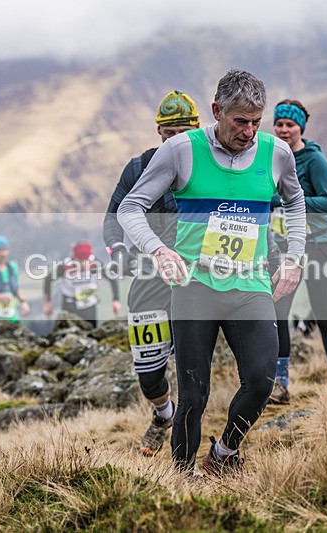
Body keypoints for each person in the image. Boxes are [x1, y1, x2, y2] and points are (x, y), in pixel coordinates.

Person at [118, 69, 305, 475]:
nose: (249, 132)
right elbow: (129, 208)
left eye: (256, 122)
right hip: (195, 285)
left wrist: (294, 257)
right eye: (240, 121)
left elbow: (295, 201)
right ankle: (182, 479)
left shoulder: (276, 153)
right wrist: (158, 250)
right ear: (217, 111)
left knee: (261, 381)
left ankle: (223, 453)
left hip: (250, 282)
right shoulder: (181, 150)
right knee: (194, 395)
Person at [102, 89, 200, 456]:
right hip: (148, 280)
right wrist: (120, 250)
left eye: (183, 133)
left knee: (192, 368)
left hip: (198, 279)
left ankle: (187, 448)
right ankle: (163, 414)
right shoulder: (138, 168)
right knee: (149, 374)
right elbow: (113, 219)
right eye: (169, 133)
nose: (175, 141)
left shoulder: (211, 165)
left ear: (197, 129)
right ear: (158, 131)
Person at [269, 98, 327, 405]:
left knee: (324, 315)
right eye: (279, 124)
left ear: (301, 128)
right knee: (278, 313)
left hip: (321, 247)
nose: (284, 130)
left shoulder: (313, 160)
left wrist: (287, 201)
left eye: (290, 124)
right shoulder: (270, 157)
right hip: (285, 249)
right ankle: (280, 385)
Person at [42, 242, 121, 328]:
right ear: (75, 258)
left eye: (86, 260)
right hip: (69, 304)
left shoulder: (95, 263)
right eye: (80, 260)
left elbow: (112, 278)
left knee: (90, 331)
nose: (84, 264)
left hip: (88, 304)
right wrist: (47, 302)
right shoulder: (65, 265)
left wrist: (116, 300)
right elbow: (48, 279)